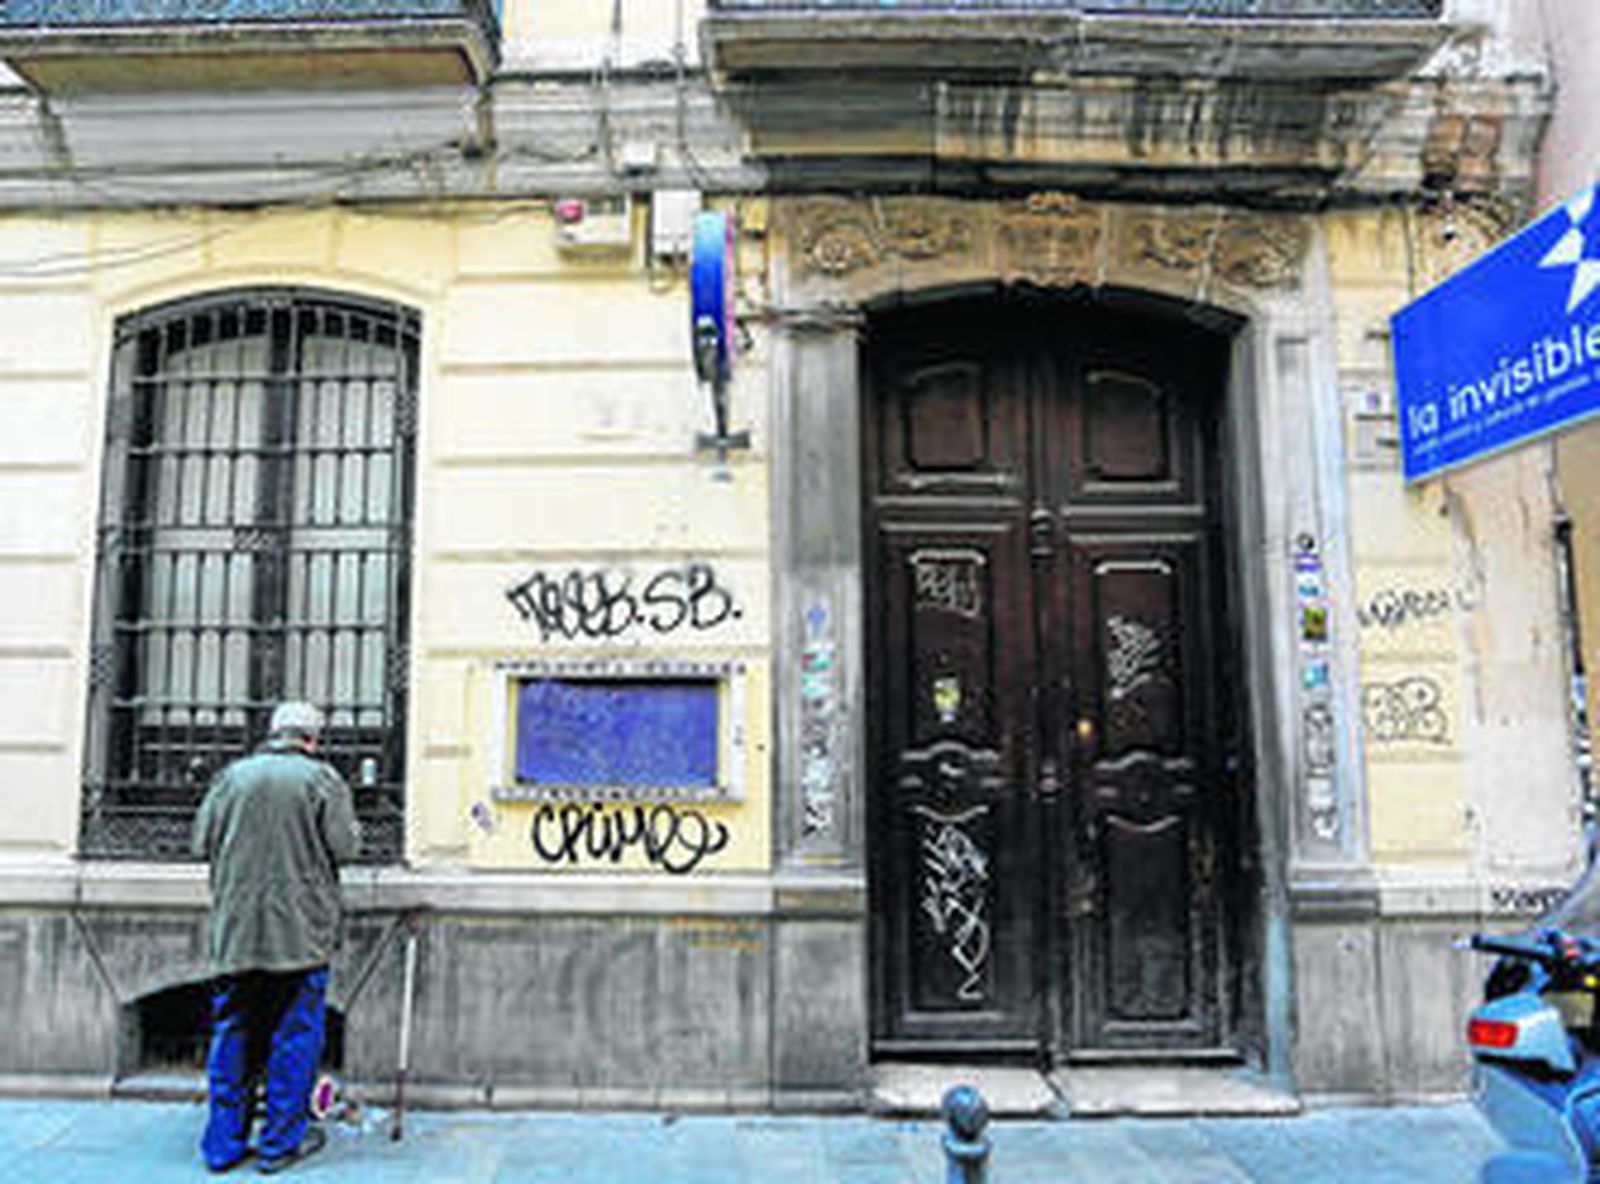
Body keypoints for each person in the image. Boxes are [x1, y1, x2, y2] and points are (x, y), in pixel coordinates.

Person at [191, 701, 360, 1174]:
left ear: (273, 733)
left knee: (233, 1034)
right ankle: (279, 1144)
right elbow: (345, 847)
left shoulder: (231, 777)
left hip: (237, 932)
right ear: (312, 737)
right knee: (295, 1036)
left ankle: (222, 1146)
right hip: (301, 934)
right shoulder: (322, 780)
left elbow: (199, 842)